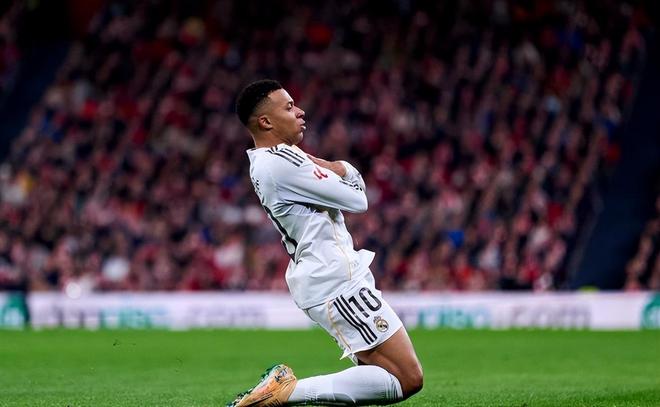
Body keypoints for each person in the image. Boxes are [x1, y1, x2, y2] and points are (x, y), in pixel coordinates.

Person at [227, 79, 423, 406]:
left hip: (326, 277)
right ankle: (286, 392)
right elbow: (358, 199)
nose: (300, 112)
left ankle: (284, 393)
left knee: (377, 372)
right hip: (336, 281)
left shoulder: (266, 162)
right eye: (289, 107)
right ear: (266, 122)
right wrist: (340, 167)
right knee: (407, 378)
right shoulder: (282, 161)